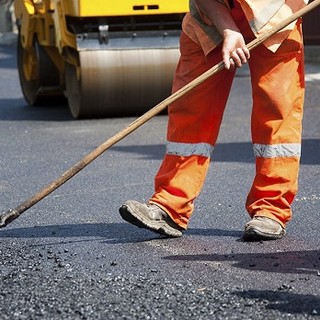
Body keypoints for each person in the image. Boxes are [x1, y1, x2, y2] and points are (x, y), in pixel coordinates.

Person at [119, 0, 308, 241]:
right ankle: (170, 205)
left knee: (277, 110)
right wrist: (228, 29)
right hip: (209, 17)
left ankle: (271, 210)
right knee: (190, 108)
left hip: (276, 15)